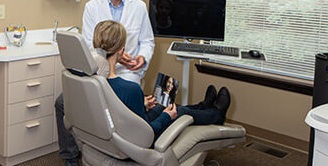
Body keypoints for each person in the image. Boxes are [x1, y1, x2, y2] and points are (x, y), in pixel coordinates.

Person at [39, 0, 155, 166]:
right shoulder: (93, 7)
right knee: (63, 104)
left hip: (127, 76)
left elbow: (148, 42)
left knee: (110, 117)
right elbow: (91, 48)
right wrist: (112, 55)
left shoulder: (139, 6)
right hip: (101, 72)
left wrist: (142, 58)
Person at [94, 20, 231, 142]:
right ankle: (217, 115)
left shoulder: (91, 82)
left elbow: (114, 109)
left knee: (161, 106)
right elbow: (146, 133)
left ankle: (203, 107)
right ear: (121, 51)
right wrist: (166, 116)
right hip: (137, 143)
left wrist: (142, 103)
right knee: (178, 112)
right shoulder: (130, 89)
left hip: (116, 136)